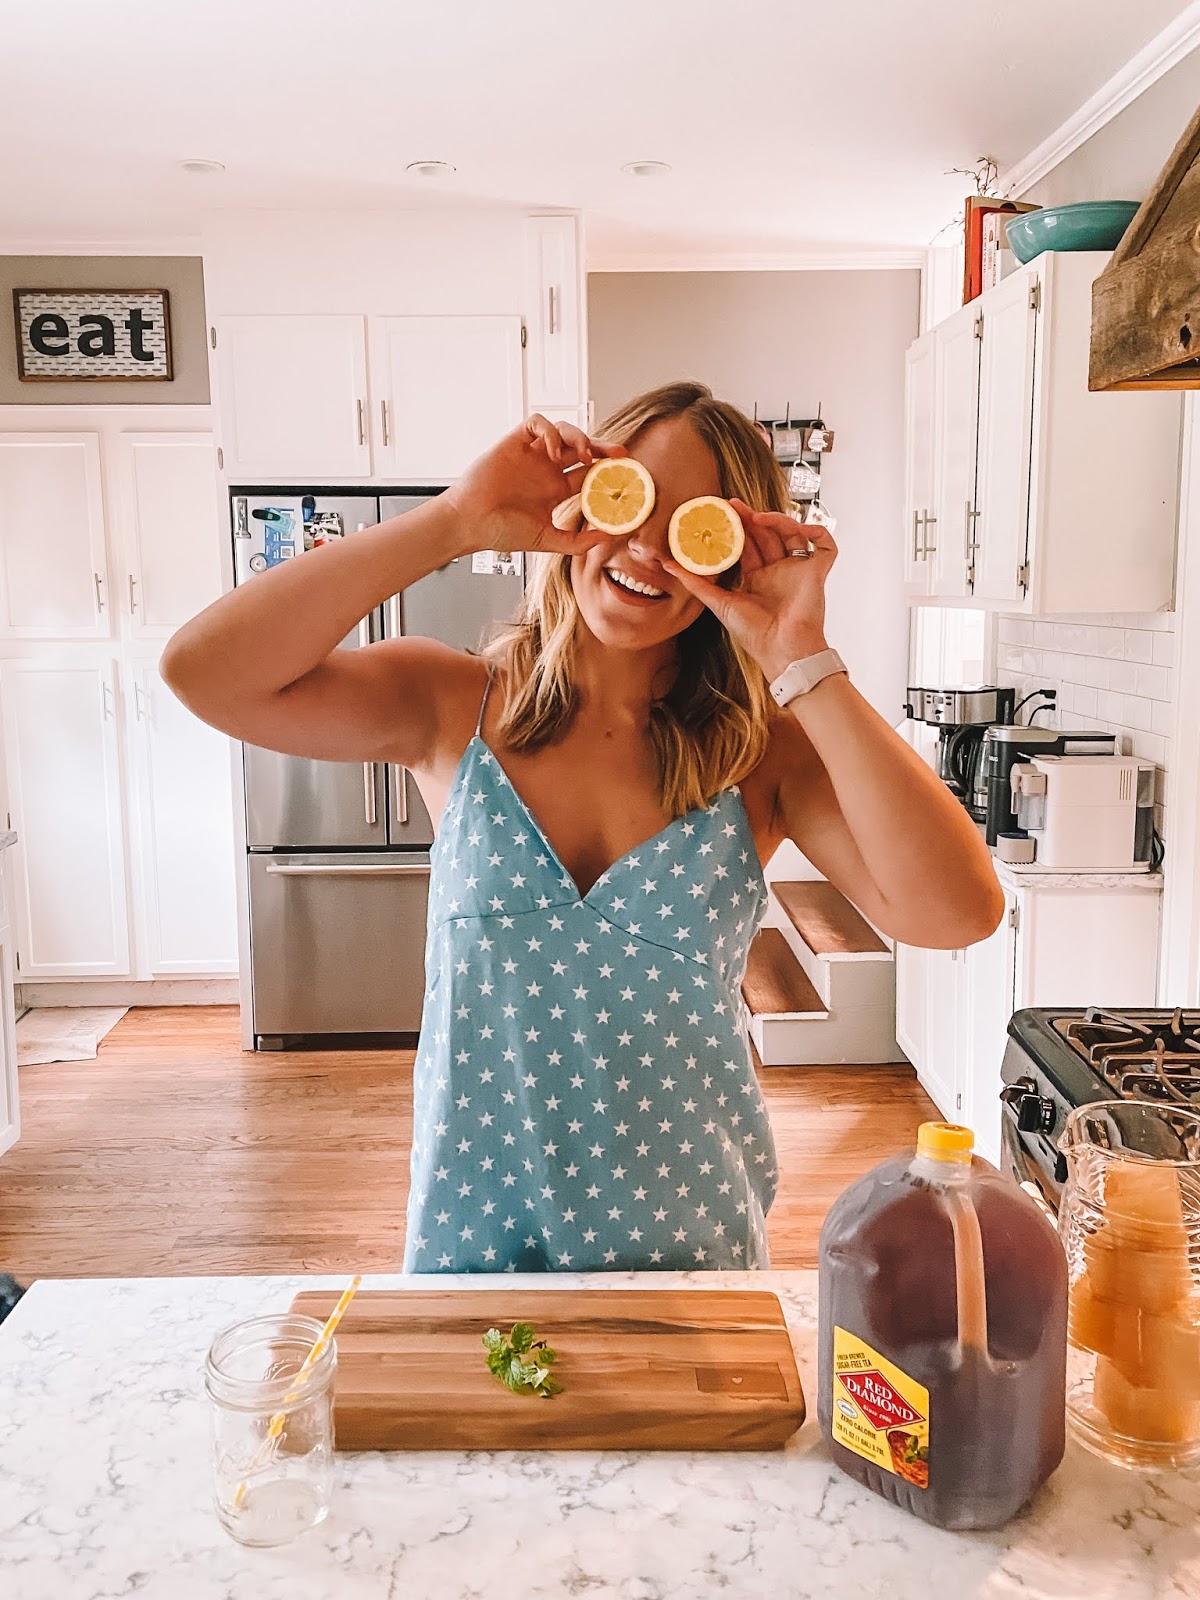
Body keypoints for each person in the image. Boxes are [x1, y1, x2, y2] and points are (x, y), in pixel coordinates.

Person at [163, 380, 1002, 1273]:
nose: (645, 548)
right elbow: (205, 672)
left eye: (693, 528)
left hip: (692, 1250)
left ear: (730, 557)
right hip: (474, 1244)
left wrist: (805, 659)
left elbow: (955, 914)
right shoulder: (450, 706)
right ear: (582, 499)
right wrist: (453, 520)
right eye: (629, 499)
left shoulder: (763, 758)